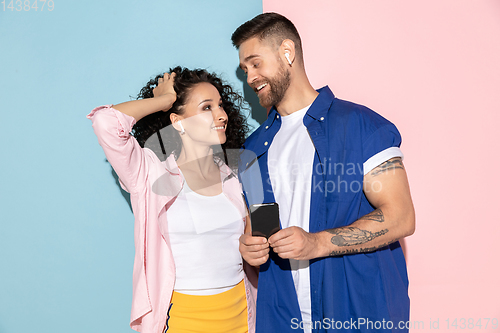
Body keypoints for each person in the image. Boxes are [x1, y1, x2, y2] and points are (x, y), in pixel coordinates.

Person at [232, 13, 415, 333]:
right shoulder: (253, 149)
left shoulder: (361, 125)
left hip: (357, 312)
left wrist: (317, 243)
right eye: (245, 69)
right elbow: (260, 224)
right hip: (282, 317)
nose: (250, 77)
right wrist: (250, 247)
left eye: (255, 63)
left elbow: (401, 216)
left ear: (287, 52)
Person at [87, 67, 257, 333]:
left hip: (243, 317)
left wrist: (254, 250)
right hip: (183, 320)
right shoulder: (151, 173)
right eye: (207, 107)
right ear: (178, 122)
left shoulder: (233, 175)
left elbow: (248, 246)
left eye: (220, 106)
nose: (221, 115)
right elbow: (105, 123)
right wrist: (163, 102)